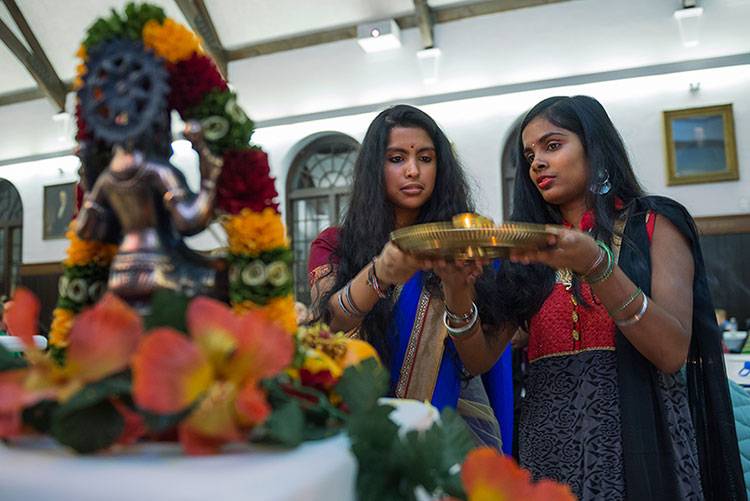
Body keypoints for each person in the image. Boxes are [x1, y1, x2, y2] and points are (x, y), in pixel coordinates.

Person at [493, 95, 744, 499]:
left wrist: (598, 265)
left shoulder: (654, 223)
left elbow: (671, 352)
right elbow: (487, 353)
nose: (537, 162)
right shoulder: (531, 252)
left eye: (552, 146)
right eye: (529, 154)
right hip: (549, 448)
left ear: (595, 147)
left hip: (641, 443)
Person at [308, 104, 513, 451]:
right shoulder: (335, 245)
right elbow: (326, 330)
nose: (413, 171)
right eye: (397, 158)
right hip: (357, 427)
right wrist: (380, 273)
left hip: (448, 434)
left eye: (426, 158)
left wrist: (457, 288)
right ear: (376, 167)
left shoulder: (465, 244)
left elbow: (479, 362)